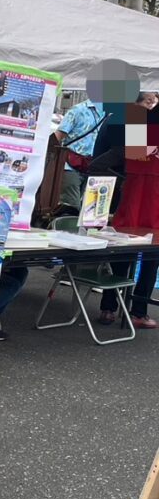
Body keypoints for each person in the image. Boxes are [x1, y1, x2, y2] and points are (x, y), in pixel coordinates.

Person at [99, 91, 159, 329]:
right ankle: (138, 311)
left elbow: (122, 155)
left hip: (133, 188)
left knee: (122, 248)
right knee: (152, 254)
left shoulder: (133, 117)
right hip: (152, 193)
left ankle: (108, 307)